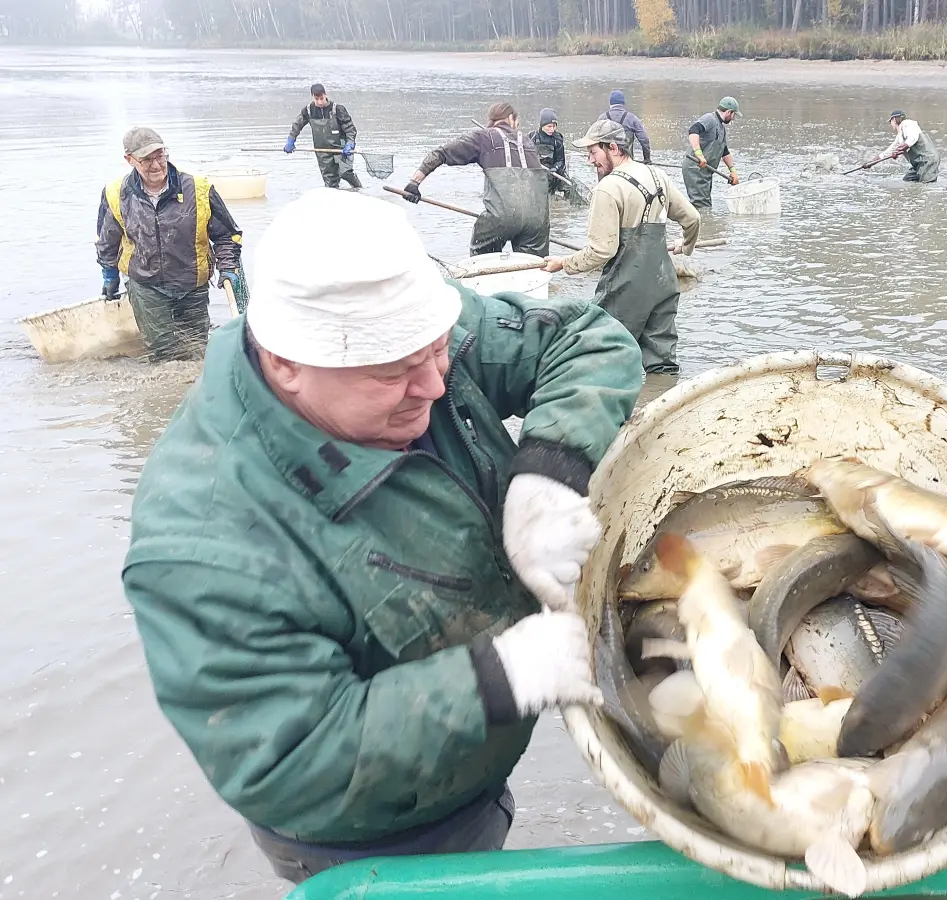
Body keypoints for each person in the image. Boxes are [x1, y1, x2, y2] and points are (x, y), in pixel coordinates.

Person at [121, 187, 643, 884]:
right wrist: (499, 677)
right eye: (393, 374)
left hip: (477, 771)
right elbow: (286, 762)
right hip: (366, 839)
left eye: (436, 351)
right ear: (286, 364)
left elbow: (584, 340)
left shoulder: (403, 331)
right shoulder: (204, 542)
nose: (433, 385)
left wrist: (549, 468)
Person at [544, 119, 700, 375]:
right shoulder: (658, 175)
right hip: (663, 284)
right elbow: (693, 219)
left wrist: (563, 263)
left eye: (593, 152)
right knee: (661, 365)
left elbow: (602, 250)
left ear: (613, 148)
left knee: (601, 358)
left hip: (625, 288)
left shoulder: (607, 188)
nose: (590, 160)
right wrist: (686, 246)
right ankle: (657, 404)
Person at [96, 126, 246, 363]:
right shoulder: (116, 193)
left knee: (197, 353)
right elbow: (107, 240)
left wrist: (227, 268)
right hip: (147, 285)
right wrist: (109, 275)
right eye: (146, 160)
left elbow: (227, 234)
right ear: (130, 159)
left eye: (160, 156)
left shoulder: (198, 188)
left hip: (192, 284)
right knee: (163, 353)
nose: (156, 166)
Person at [402, 102, 550, 257]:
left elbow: (441, 153)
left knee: (483, 258)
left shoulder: (484, 137)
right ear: (511, 118)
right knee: (533, 267)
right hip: (538, 221)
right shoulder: (528, 142)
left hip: (502, 219)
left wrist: (414, 183)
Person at [285, 83, 360, 190]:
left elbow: (350, 129)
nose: (320, 102)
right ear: (312, 97)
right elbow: (297, 125)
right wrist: (291, 140)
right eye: (317, 99)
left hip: (341, 148)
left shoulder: (337, 109)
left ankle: (360, 190)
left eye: (322, 98)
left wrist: (350, 143)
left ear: (326, 95)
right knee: (330, 183)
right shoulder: (308, 110)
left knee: (345, 173)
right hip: (322, 151)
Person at [682, 97, 741, 210]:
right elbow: (693, 131)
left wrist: (733, 171)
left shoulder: (722, 129)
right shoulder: (710, 119)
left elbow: (725, 152)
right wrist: (699, 155)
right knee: (701, 205)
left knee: (705, 204)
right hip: (695, 168)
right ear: (729, 112)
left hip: (706, 172)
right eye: (734, 115)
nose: (733, 118)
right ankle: (702, 225)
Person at [865, 110, 940, 183]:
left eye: (890, 122)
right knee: (907, 180)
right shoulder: (900, 136)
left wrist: (899, 150)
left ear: (894, 120)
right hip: (918, 164)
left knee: (926, 186)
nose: (891, 125)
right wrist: (870, 163)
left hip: (927, 161)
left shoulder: (908, 124)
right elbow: (886, 153)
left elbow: (912, 138)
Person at [533, 108, 581, 205]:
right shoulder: (533, 137)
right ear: (542, 125)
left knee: (571, 187)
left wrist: (555, 168)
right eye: (549, 126)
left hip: (555, 175)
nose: (552, 129)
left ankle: (575, 210)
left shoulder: (557, 139)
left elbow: (561, 160)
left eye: (554, 126)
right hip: (538, 175)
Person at [602, 89, 652, 164]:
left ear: (610, 103)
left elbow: (593, 139)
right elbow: (644, 140)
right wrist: (647, 159)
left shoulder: (602, 118)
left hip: (607, 162)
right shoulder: (632, 118)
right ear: (623, 103)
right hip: (626, 162)